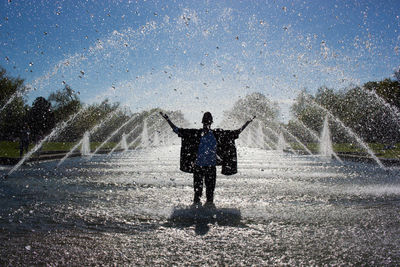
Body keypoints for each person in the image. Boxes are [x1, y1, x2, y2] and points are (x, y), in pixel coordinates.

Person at [160, 111, 255, 208]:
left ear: (211, 123)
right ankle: (197, 215)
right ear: (202, 122)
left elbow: (236, 132)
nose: (207, 124)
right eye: (205, 122)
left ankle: (207, 215)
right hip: (198, 167)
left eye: (208, 122)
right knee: (197, 194)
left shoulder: (217, 134)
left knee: (210, 194)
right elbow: (178, 130)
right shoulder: (196, 134)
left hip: (210, 167)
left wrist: (247, 123)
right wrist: (167, 120)